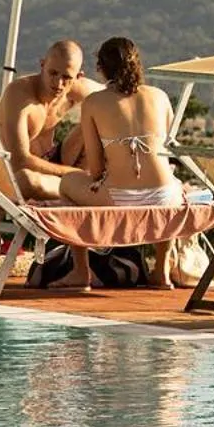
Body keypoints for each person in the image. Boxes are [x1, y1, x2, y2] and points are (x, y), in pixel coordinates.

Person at [59, 36, 185, 288]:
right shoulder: (159, 96)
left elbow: (96, 169)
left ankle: (81, 271)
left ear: (101, 68)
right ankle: (161, 270)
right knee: (169, 187)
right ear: (137, 64)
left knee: (67, 184)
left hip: (121, 196)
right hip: (165, 195)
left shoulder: (93, 103)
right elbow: (171, 147)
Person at [0, 39, 99, 202]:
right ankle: (85, 191)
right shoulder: (19, 94)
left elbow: (116, 94)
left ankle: (84, 189)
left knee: (97, 119)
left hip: (58, 164)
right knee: (26, 181)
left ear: (78, 77)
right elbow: (19, 161)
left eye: (66, 77)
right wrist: (77, 174)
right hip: (21, 172)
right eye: (53, 73)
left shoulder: (78, 90)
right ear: (42, 65)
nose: (58, 83)